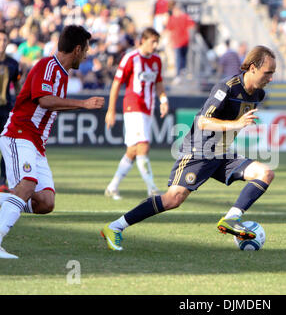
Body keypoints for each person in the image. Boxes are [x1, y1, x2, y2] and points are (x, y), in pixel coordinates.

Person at [101, 45, 276, 251]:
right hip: (199, 151)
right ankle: (115, 227)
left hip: (222, 153)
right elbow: (203, 122)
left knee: (265, 173)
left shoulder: (258, 95)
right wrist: (236, 124)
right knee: (173, 199)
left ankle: (231, 218)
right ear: (253, 68)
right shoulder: (226, 88)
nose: (271, 78)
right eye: (268, 73)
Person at [0, 25, 105, 259]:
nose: (87, 55)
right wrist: (83, 104)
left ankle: (5, 201)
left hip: (36, 143)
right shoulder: (48, 66)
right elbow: (45, 100)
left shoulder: (62, 73)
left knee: (45, 203)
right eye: (86, 50)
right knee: (27, 183)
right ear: (77, 49)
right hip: (19, 133)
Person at [104, 27, 169, 200]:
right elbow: (116, 84)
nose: (155, 45)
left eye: (157, 42)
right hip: (133, 107)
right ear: (142, 40)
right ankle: (153, 190)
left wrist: (163, 100)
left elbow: (159, 83)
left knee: (132, 150)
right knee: (143, 146)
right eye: (152, 41)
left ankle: (112, 187)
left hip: (148, 108)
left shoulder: (156, 60)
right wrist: (111, 110)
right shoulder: (130, 58)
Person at [0, 30, 21, 192]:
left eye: (4, 40)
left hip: (6, 109)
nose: (2, 42)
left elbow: (18, 86)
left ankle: (2, 181)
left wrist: (21, 104)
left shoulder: (13, 64)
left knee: (6, 146)